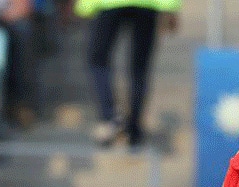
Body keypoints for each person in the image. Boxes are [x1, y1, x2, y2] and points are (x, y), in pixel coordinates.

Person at [74, 0, 181, 148]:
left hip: (107, 4)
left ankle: (109, 117)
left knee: (97, 59)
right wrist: (171, 7)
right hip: (147, 5)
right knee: (139, 67)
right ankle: (134, 128)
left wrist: (83, 7)